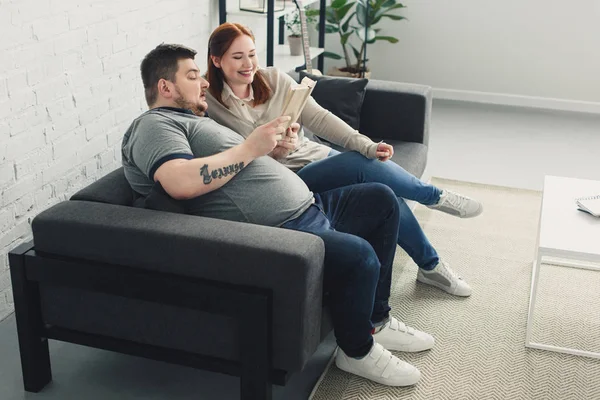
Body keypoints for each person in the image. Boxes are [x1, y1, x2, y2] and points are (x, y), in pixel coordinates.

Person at [122, 43, 435, 387]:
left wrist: (271, 151)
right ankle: (356, 351)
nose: (205, 83)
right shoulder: (154, 125)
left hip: (308, 205)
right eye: (193, 76)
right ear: (165, 87)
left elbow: (241, 168)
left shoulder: (195, 121)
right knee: (360, 256)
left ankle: (377, 319)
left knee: (380, 200)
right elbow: (179, 181)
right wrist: (250, 147)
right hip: (280, 227)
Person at [204, 22, 481, 297]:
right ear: (216, 60)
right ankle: (433, 196)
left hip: (317, 157)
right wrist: (271, 153)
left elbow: (320, 118)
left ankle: (430, 266)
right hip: (287, 179)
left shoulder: (274, 79)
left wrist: (367, 144)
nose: (248, 64)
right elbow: (230, 159)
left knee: (383, 192)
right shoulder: (208, 104)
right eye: (237, 57)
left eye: (252, 54)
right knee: (360, 163)